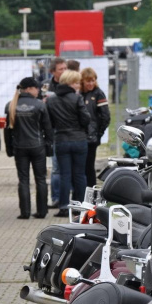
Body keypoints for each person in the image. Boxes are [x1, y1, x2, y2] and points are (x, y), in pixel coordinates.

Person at [5, 77, 54, 219]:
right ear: (28, 89)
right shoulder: (39, 105)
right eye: (36, 88)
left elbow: (8, 130)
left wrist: (9, 148)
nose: (38, 90)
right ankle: (42, 211)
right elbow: (48, 128)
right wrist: (49, 146)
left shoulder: (12, 105)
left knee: (23, 180)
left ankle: (24, 212)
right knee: (40, 179)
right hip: (38, 146)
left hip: (19, 147)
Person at [46, 70, 90, 217]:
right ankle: (81, 206)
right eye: (77, 82)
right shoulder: (77, 98)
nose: (79, 85)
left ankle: (64, 206)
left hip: (61, 140)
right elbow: (85, 118)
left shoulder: (51, 100)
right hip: (79, 139)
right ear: (70, 83)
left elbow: (49, 122)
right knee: (79, 175)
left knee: (65, 174)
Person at [80, 67, 111, 187]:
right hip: (80, 136)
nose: (91, 84)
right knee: (80, 167)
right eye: (88, 81)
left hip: (92, 138)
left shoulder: (98, 93)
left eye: (93, 80)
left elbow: (106, 117)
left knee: (89, 167)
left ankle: (91, 192)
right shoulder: (79, 93)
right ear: (83, 81)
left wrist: (98, 134)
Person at [45, 58, 67, 209]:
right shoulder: (47, 86)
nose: (64, 71)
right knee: (56, 167)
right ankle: (56, 198)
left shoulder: (71, 84)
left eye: (66, 68)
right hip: (53, 129)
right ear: (52, 71)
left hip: (69, 130)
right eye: (61, 69)